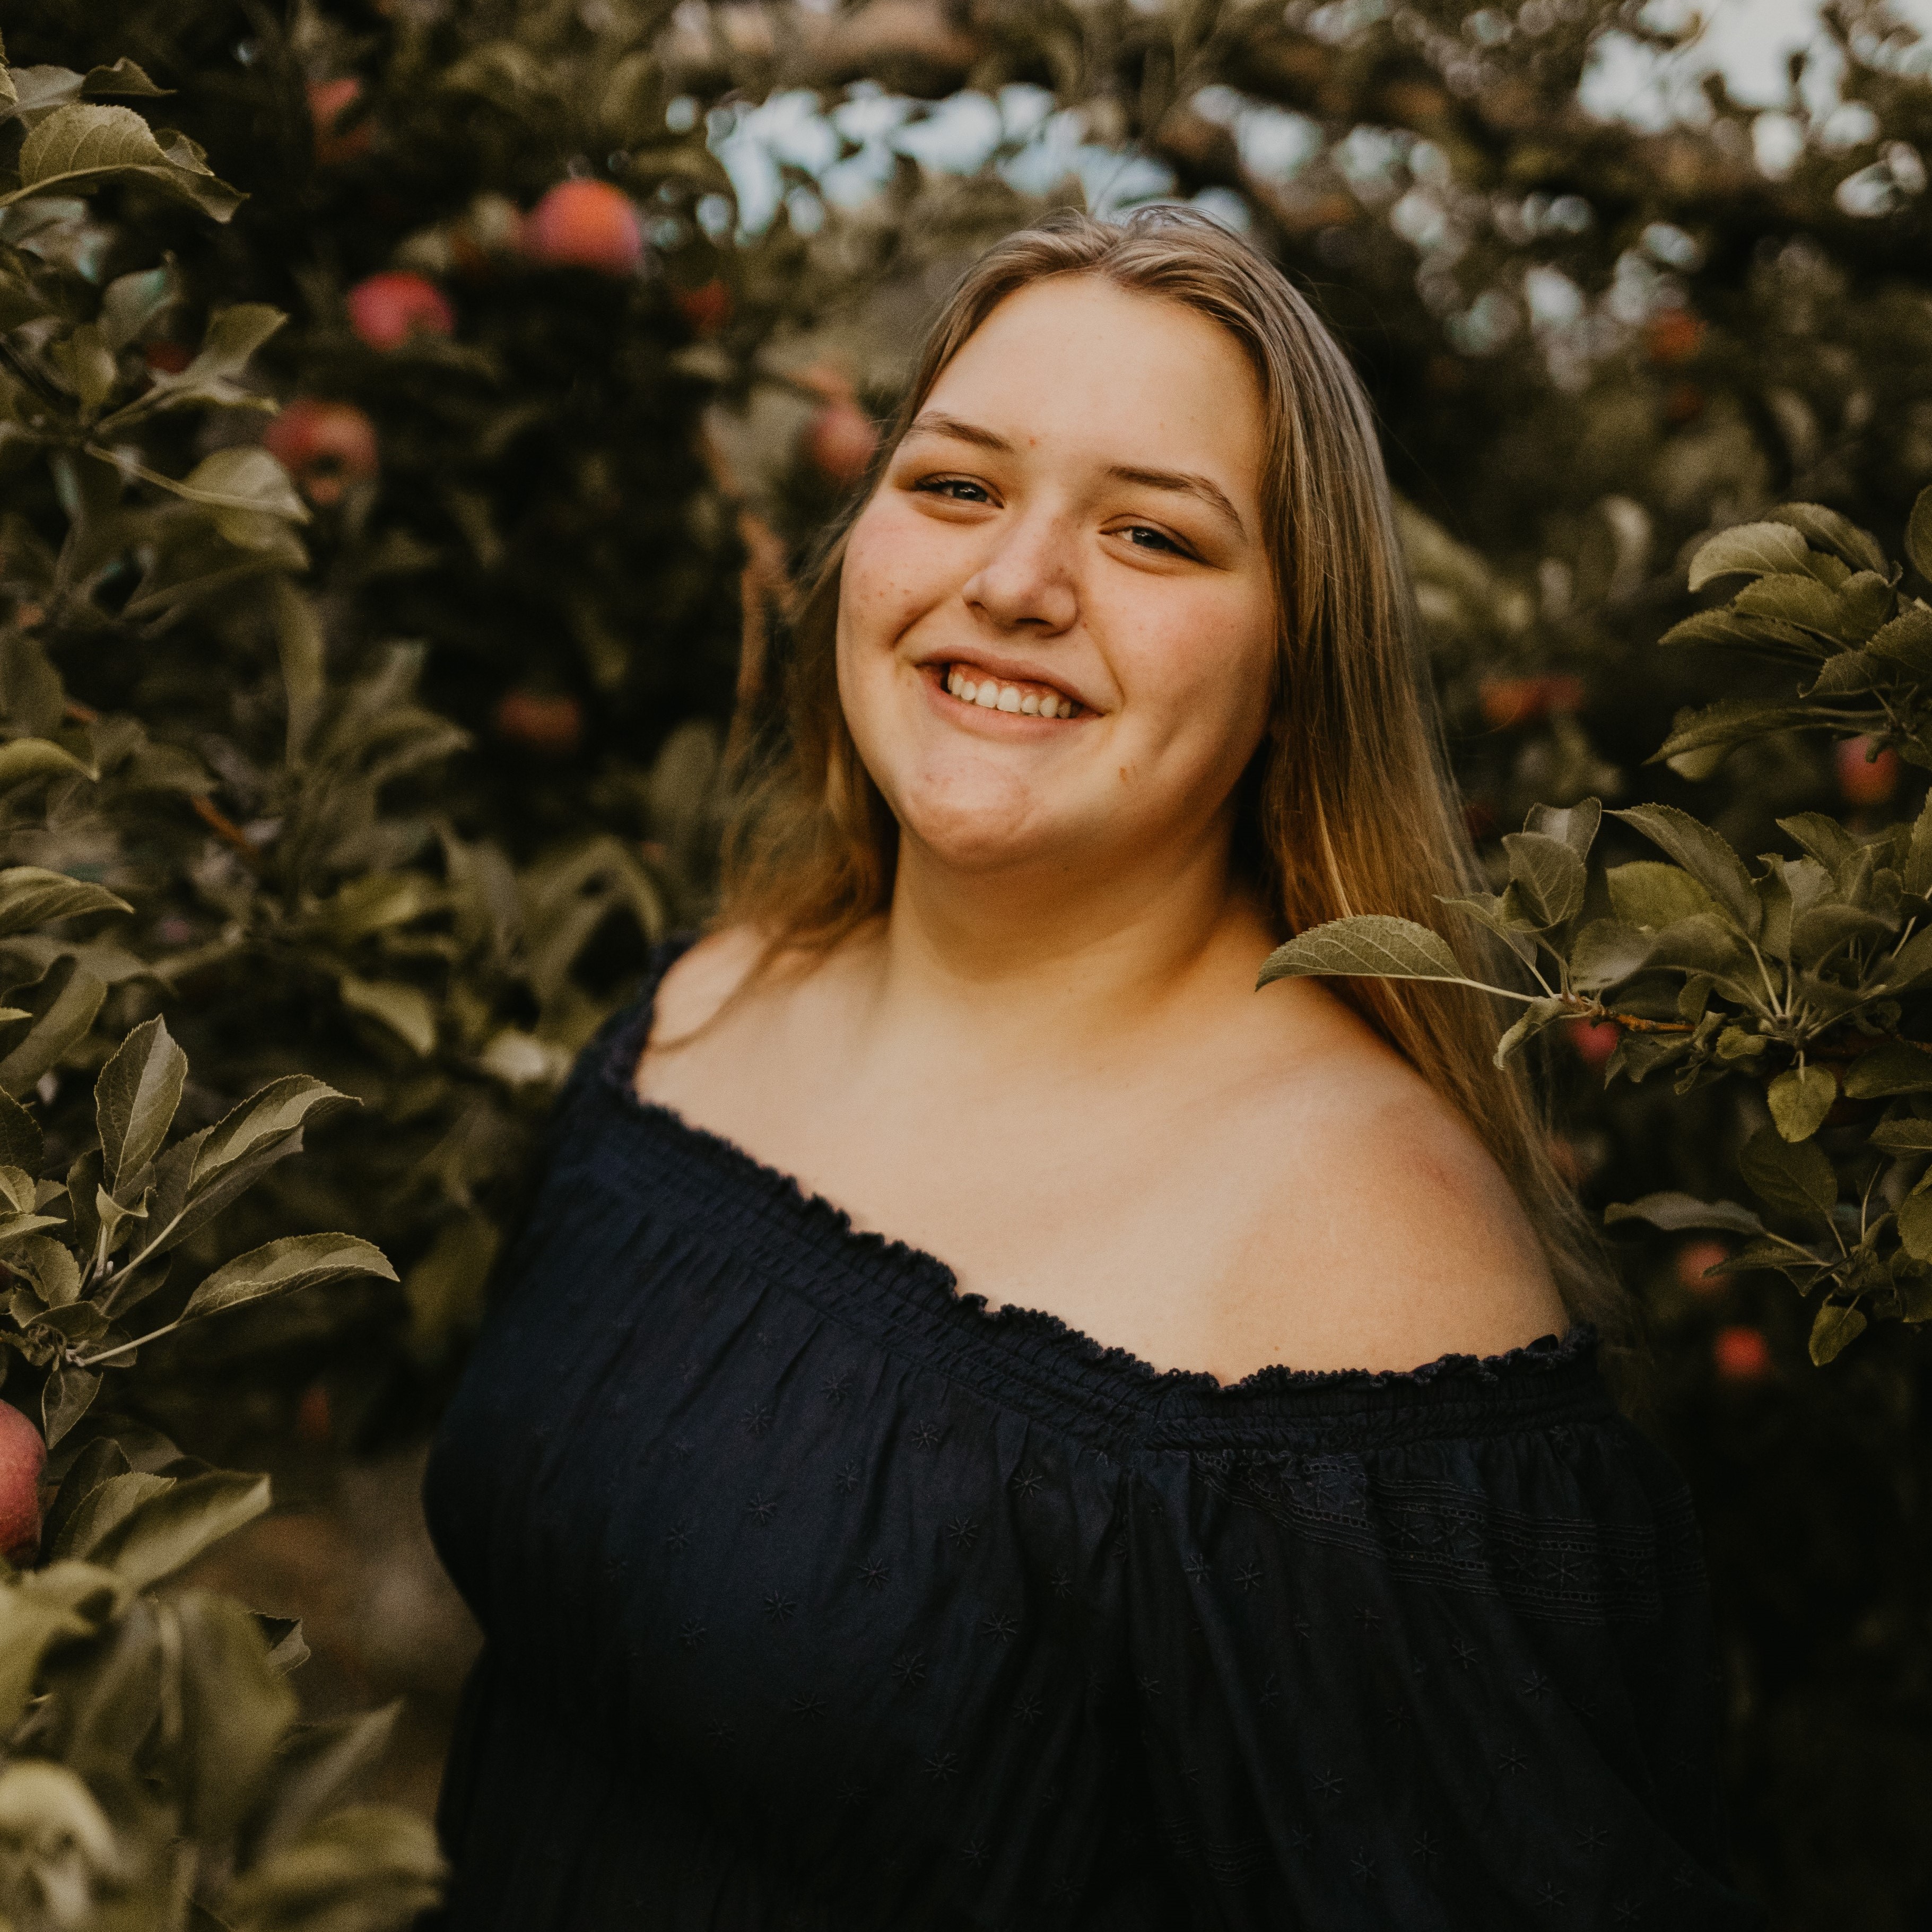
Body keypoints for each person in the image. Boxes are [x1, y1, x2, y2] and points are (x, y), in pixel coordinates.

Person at [421, 206, 1762, 1928]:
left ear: (1296, 661)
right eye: (958, 486)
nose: (1017, 583)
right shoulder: (712, 998)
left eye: (1150, 533)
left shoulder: (1357, 1250)